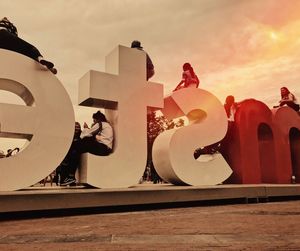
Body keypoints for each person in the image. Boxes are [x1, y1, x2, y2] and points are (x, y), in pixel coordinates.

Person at [60, 111, 114, 186]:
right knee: (77, 149)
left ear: (97, 119)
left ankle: (70, 176)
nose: (94, 122)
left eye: (94, 120)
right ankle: (70, 176)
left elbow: (85, 134)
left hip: (102, 148)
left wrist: (85, 128)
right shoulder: (107, 125)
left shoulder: (100, 124)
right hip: (104, 149)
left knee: (76, 146)